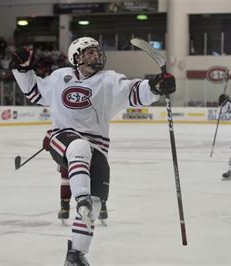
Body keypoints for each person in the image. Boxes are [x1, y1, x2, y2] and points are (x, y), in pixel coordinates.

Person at [12, 37, 176, 265]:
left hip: (96, 148)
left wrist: (156, 85)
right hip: (63, 138)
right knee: (80, 149)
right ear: (76, 57)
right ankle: (80, 199)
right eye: (89, 52)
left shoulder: (109, 80)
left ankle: (76, 255)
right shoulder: (61, 77)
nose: (96, 56)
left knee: (97, 200)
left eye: (97, 52)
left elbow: (134, 92)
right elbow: (34, 92)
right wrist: (21, 69)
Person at [42, 131, 109, 226]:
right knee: (94, 174)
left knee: (66, 174)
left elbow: (48, 138)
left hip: (74, 146)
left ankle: (64, 207)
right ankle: (102, 205)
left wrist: (48, 142)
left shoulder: (62, 123)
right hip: (92, 148)